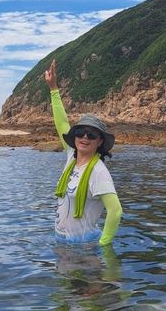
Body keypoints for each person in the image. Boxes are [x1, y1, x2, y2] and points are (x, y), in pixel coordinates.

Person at [44, 59, 123, 246]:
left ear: (100, 141)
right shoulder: (71, 156)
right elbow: (62, 124)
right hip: (63, 243)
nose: (84, 137)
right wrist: (54, 89)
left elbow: (116, 211)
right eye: (80, 132)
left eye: (91, 134)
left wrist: (103, 246)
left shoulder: (98, 172)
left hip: (83, 246)